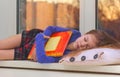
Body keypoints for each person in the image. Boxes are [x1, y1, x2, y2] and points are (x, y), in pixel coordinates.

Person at [0, 26, 118, 63]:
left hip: (29, 52)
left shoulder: (68, 55)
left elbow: (43, 59)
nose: (82, 44)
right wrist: (42, 36)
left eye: (87, 47)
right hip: (33, 36)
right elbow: (52, 28)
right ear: (85, 34)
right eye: (85, 39)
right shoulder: (75, 34)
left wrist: (39, 42)